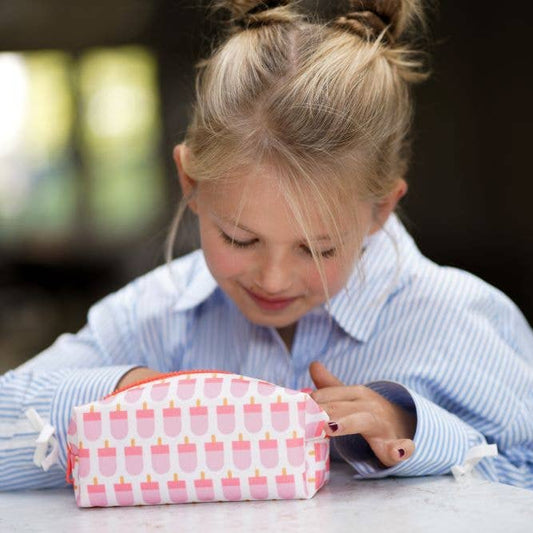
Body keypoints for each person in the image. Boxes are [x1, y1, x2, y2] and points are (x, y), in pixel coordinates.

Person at [1, 0, 532, 491]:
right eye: (240, 237)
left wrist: (418, 434)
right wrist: (119, 398)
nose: (273, 279)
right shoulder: (151, 319)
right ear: (190, 184)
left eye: (318, 249)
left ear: (380, 210)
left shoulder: (461, 321)